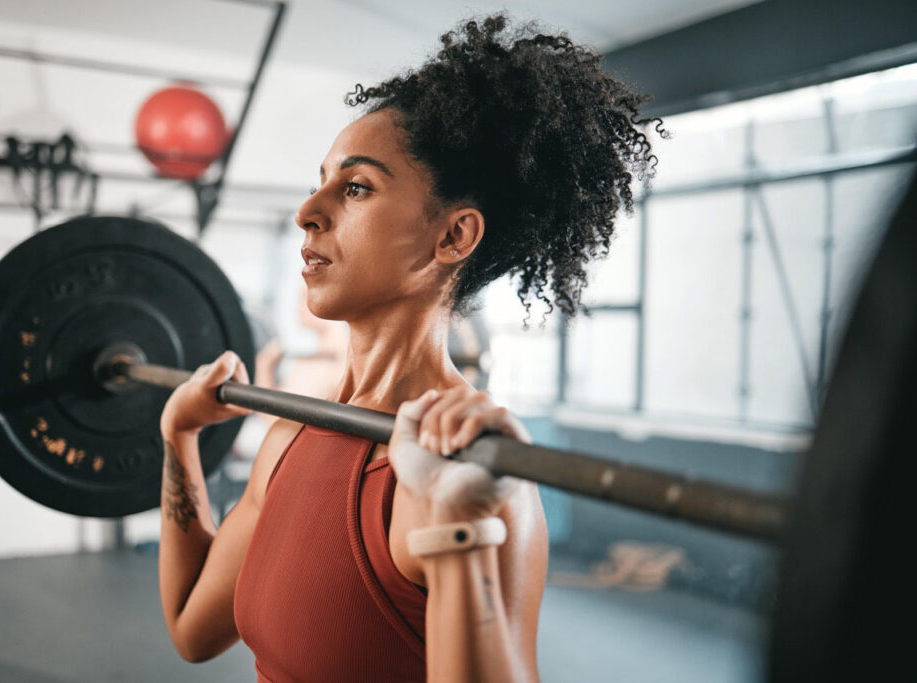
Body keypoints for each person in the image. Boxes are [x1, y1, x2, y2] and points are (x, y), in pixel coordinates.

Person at [157, 15, 661, 682]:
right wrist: (180, 437)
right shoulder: (288, 440)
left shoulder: (474, 475)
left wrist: (459, 533)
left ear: (453, 237)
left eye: (355, 187)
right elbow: (192, 627)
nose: (308, 211)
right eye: (320, 181)